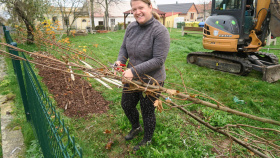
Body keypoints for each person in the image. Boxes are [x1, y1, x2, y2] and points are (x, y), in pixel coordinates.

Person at [115, 0, 170, 151]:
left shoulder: (160, 31)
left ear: (150, 7)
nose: (137, 12)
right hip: (131, 78)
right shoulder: (131, 27)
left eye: (141, 8)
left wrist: (132, 71)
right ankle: (136, 127)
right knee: (126, 105)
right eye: (134, 9)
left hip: (151, 80)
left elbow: (158, 60)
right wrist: (120, 62)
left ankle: (147, 139)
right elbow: (124, 48)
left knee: (147, 111)